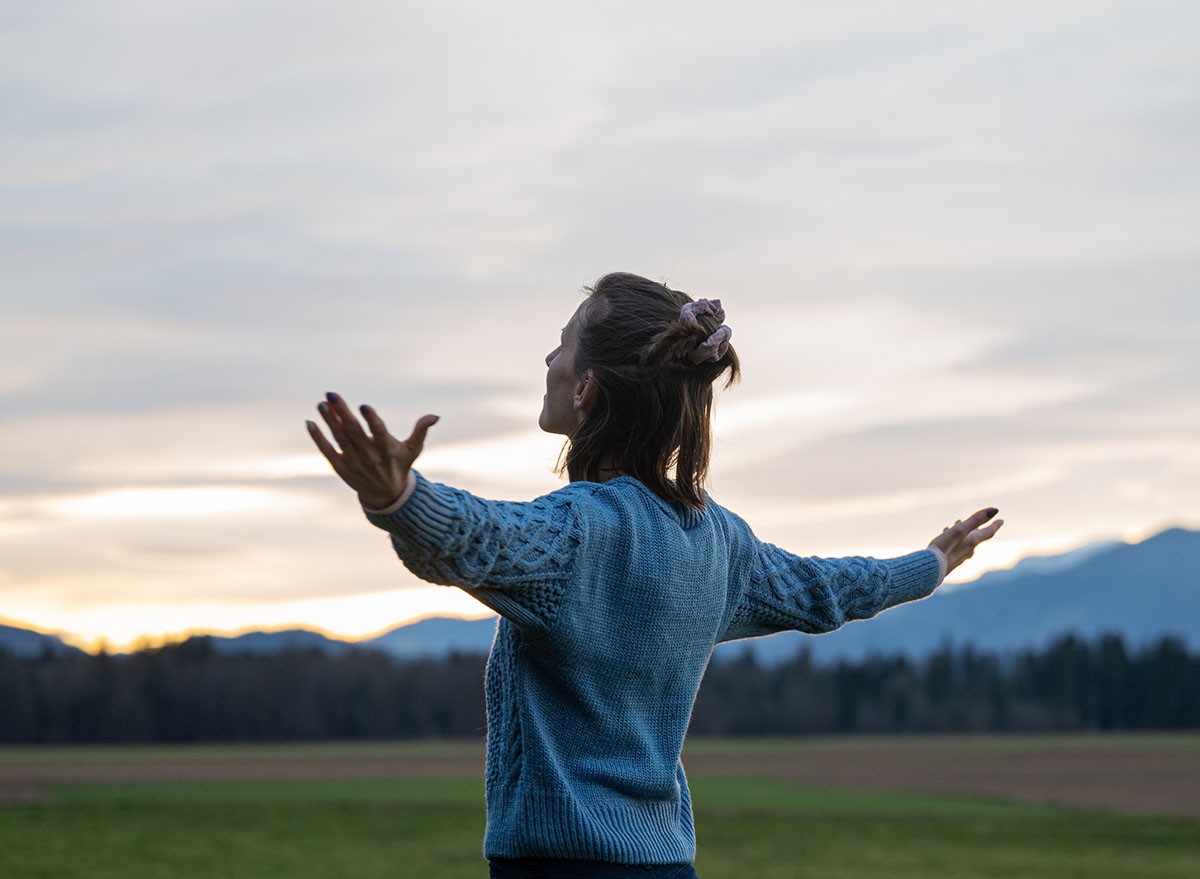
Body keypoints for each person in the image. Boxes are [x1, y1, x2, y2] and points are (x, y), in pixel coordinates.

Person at [306, 272, 1003, 879]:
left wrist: (398, 498)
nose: (546, 356)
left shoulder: (580, 532)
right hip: (667, 866)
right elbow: (827, 590)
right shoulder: (720, 543)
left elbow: (472, 540)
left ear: (585, 389)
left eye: (562, 342)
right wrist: (932, 563)